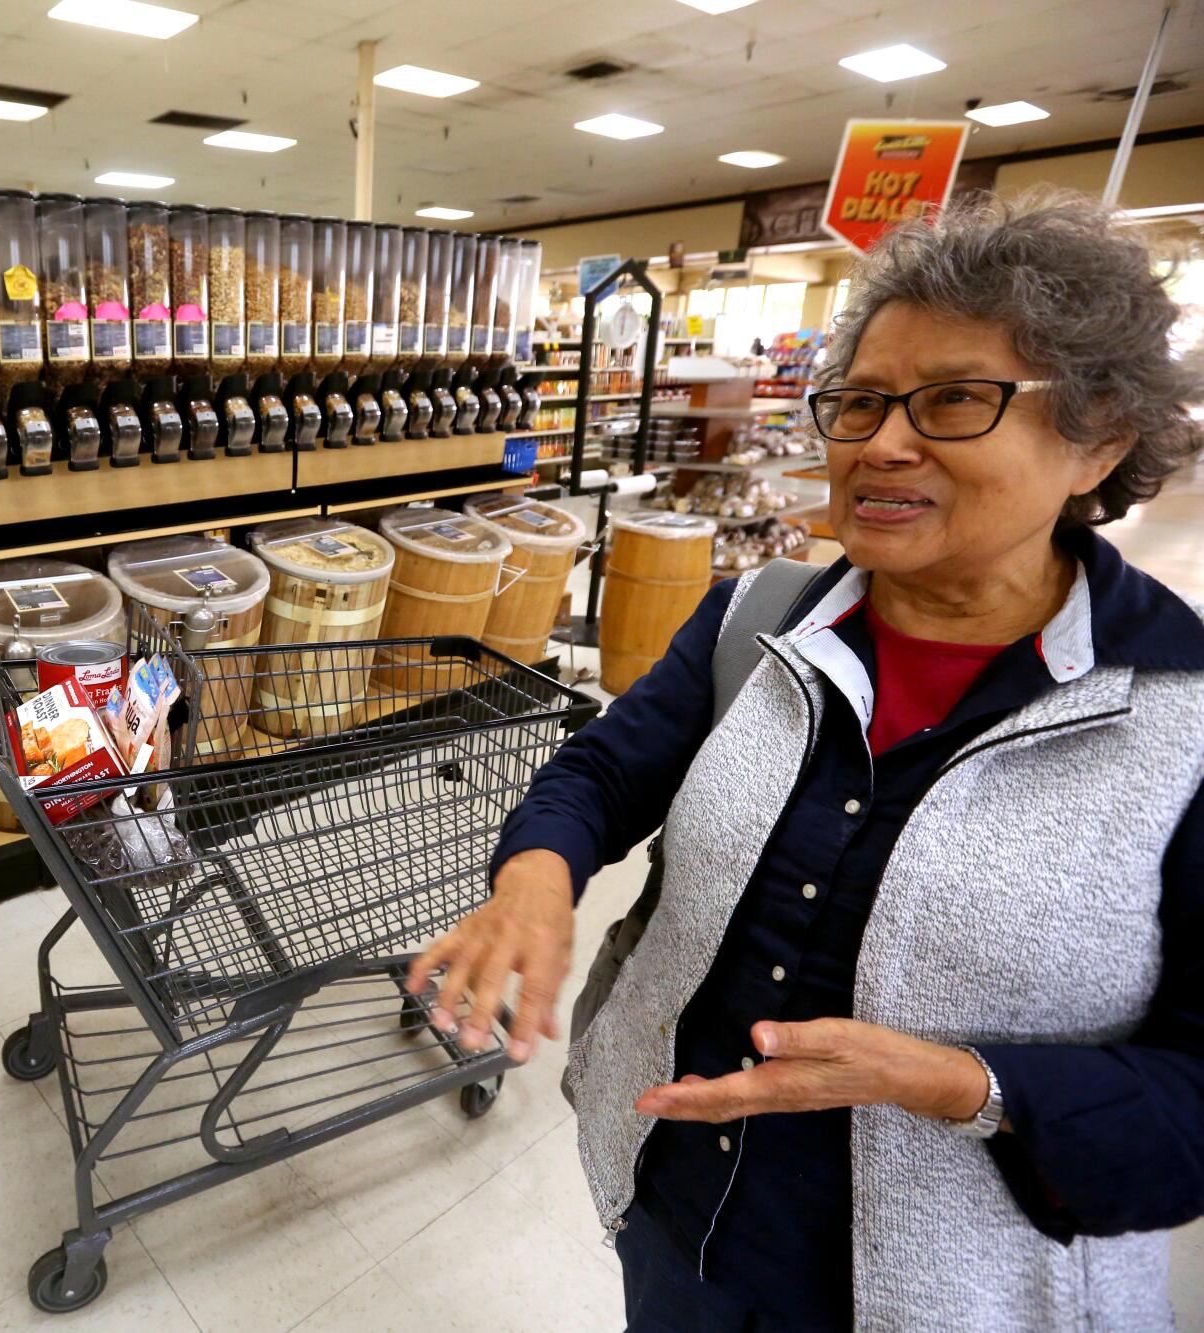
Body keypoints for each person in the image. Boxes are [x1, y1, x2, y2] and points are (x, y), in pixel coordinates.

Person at [409, 194, 1204, 1329]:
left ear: (1100, 438)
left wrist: (961, 1085)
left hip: (969, 1293)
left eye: (953, 401)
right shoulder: (759, 619)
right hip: (681, 1217)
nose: (880, 441)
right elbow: (603, 771)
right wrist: (536, 875)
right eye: (861, 402)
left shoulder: (1180, 718)